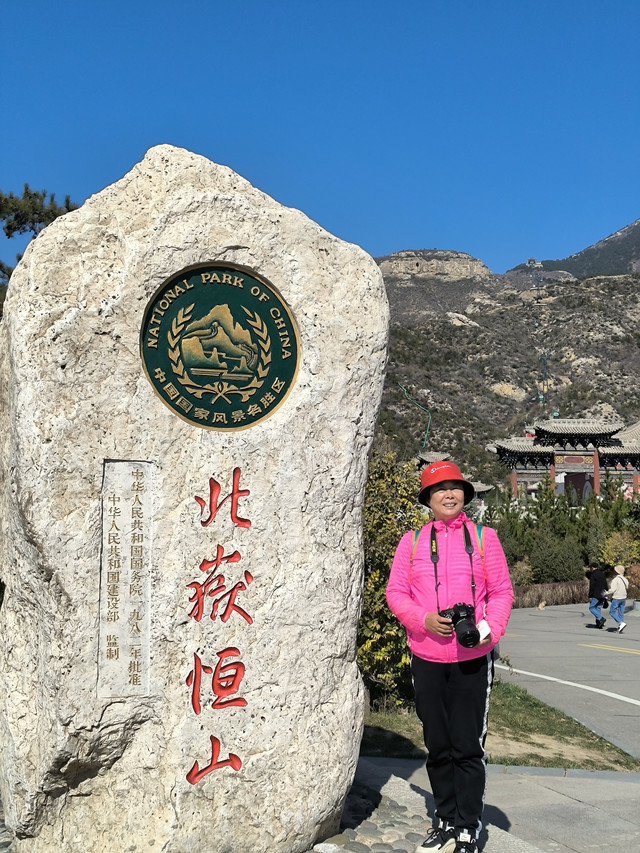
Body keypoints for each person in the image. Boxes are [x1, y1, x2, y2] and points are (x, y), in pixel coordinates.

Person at [386, 461, 513, 853]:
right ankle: (444, 818)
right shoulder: (411, 542)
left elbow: (502, 592)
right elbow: (396, 593)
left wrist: (489, 631)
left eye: (455, 487)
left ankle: (468, 826)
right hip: (426, 656)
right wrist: (422, 620)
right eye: (440, 488)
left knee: (467, 745)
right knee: (438, 744)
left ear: (465, 494)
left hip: (471, 659)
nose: (449, 494)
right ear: (428, 498)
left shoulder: (485, 538)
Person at [607, 565, 629, 633]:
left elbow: (612, 590)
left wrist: (606, 593)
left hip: (616, 597)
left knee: (612, 612)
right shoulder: (625, 579)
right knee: (620, 613)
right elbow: (627, 587)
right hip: (623, 597)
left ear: (616, 572)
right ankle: (620, 626)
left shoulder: (615, 579)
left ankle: (621, 623)